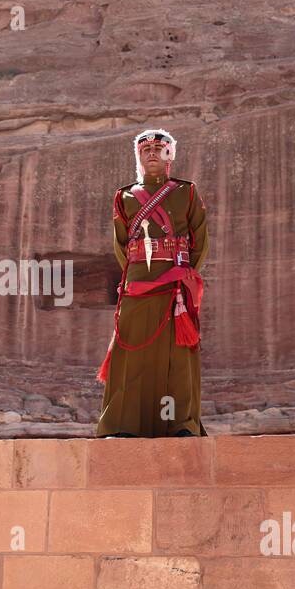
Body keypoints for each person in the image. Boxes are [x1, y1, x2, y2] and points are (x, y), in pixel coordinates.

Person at [96, 128, 209, 437]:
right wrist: (138, 275)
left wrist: (184, 274)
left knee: (177, 354)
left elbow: (199, 240)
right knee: (129, 350)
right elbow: (121, 246)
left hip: (174, 283)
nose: (152, 152)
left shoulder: (186, 192)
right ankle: (122, 425)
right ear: (138, 155)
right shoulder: (125, 196)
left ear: (170, 154)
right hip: (137, 284)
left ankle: (180, 424)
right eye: (145, 148)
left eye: (159, 147)